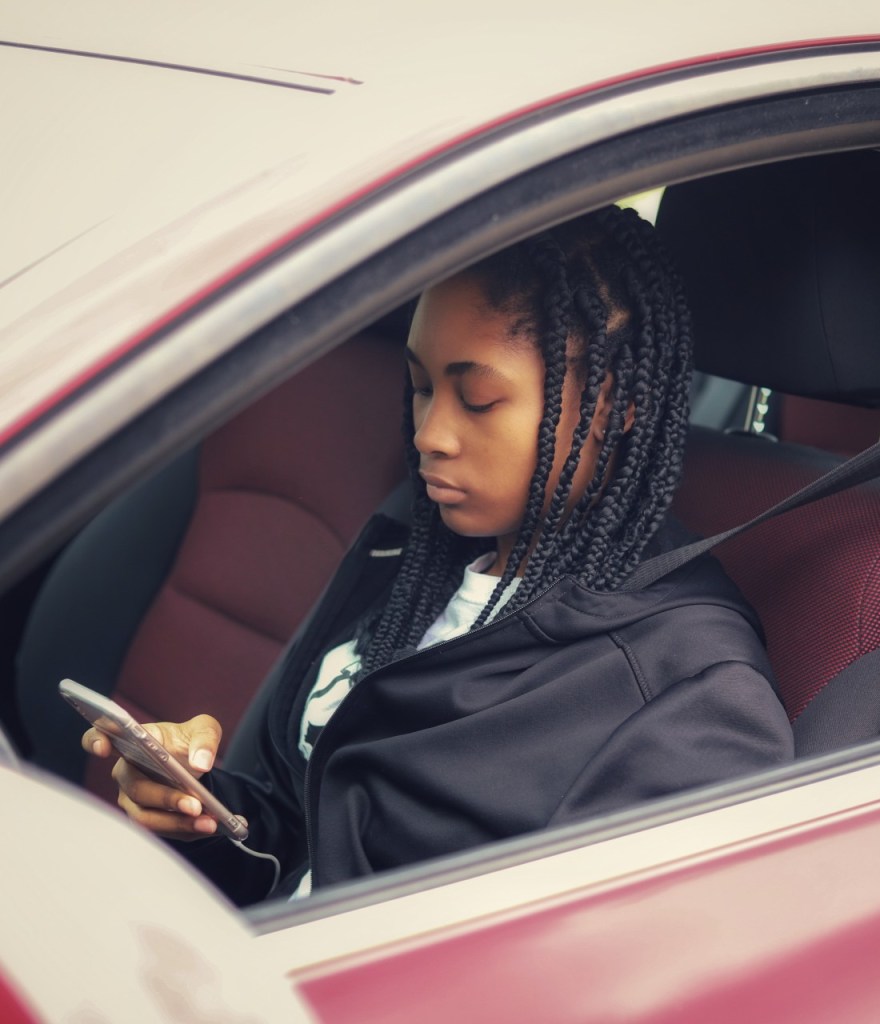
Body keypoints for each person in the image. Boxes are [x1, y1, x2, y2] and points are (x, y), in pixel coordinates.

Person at [83, 206, 794, 905]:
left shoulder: (686, 688)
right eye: (422, 388)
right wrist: (203, 814)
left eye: (478, 400)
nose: (430, 433)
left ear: (614, 404)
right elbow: (299, 837)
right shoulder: (408, 555)